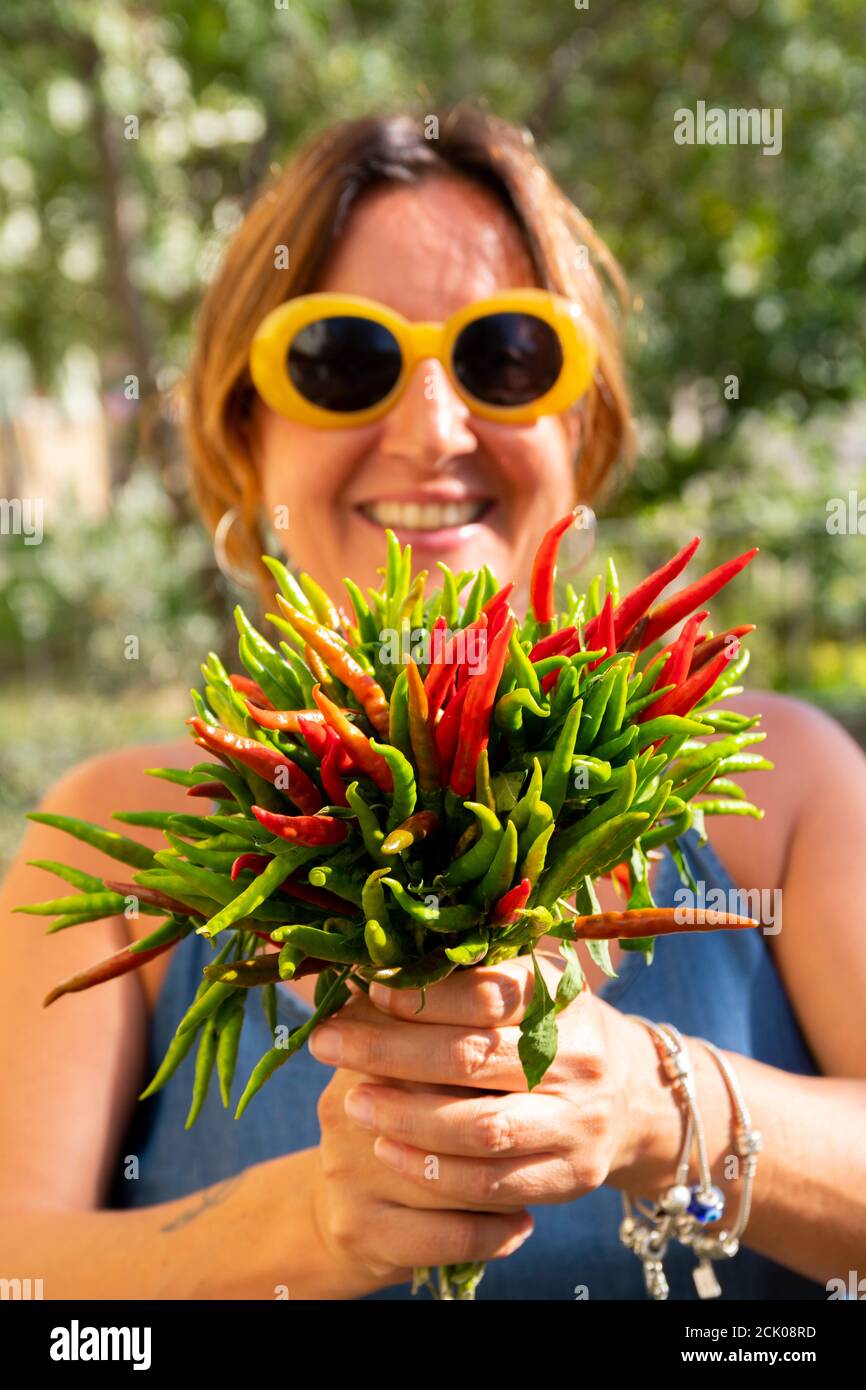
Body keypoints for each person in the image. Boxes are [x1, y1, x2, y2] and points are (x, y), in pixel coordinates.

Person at [1, 107, 864, 1302]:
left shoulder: (786, 783)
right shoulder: (116, 827)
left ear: (584, 426)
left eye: (505, 355)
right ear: (244, 441)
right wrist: (311, 1221)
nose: (432, 426)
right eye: (340, 360)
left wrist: (652, 1105)